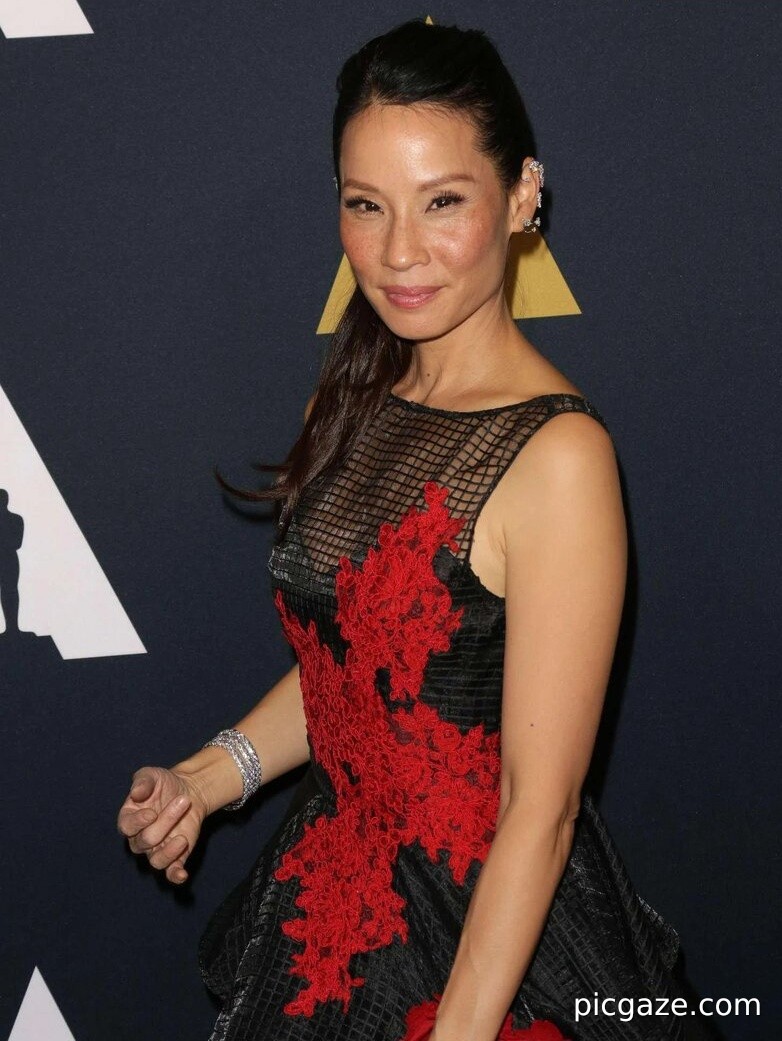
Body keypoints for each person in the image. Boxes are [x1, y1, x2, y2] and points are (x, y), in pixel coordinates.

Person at [117, 18, 715, 1041]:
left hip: (487, 947)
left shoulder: (557, 457)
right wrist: (207, 780)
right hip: (334, 903)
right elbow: (364, 677)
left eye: (442, 202)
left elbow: (539, 808)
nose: (398, 252)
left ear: (521, 196)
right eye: (366, 205)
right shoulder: (348, 399)